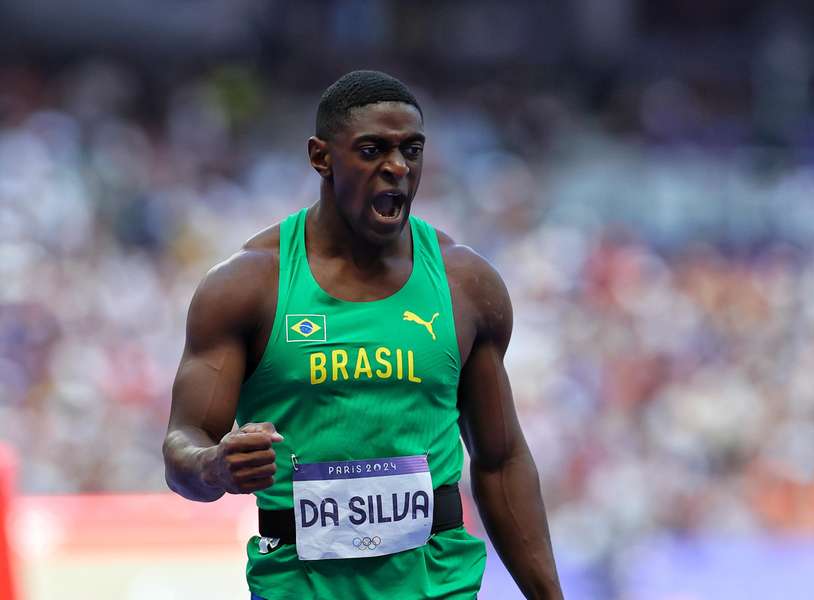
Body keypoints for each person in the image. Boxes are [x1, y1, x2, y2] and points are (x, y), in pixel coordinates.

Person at [163, 70, 563, 599]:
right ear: (321, 157)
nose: (397, 167)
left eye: (410, 150)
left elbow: (501, 459)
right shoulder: (247, 286)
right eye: (372, 149)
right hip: (300, 588)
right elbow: (182, 445)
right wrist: (214, 466)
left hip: (438, 585)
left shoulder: (466, 284)